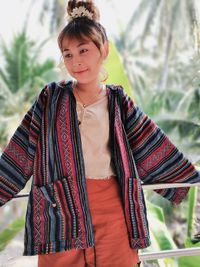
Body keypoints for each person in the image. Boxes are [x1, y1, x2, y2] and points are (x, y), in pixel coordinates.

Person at [0, 0, 200, 266]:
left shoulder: (119, 103)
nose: (76, 61)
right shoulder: (50, 99)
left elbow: (151, 146)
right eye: (68, 54)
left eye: (83, 50)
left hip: (114, 211)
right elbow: (20, 154)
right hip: (60, 212)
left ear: (103, 50)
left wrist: (190, 181)